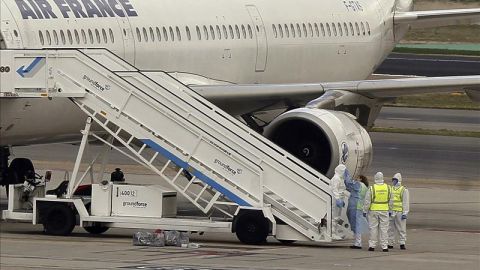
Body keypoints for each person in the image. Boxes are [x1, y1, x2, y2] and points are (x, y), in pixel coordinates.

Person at [363, 172, 392, 252]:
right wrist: (390, 210)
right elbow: (391, 200)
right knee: (384, 229)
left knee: (373, 228)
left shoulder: (372, 188)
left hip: (373, 210)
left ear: (375, 178)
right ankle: (385, 246)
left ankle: (372, 246)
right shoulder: (388, 188)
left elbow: (367, 201)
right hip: (384, 210)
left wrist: (365, 210)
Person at [344, 173, 369, 249]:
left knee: (356, 225)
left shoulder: (359, 184)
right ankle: (357, 242)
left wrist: (346, 175)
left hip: (355, 206)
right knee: (357, 224)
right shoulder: (365, 187)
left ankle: (358, 243)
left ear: (361, 179)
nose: (356, 179)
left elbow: (349, 184)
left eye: (357, 178)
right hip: (359, 206)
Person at [388, 173, 410, 250]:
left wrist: (405, 213)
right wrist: (389, 210)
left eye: (395, 180)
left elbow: (405, 202)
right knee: (390, 228)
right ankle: (390, 242)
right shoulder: (390, 188)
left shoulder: (403, 190)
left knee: (401, 228)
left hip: (399, 212)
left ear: (398, 180)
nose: (393, 181)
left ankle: (402, 243)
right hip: (392, 212)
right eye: (393, 180)